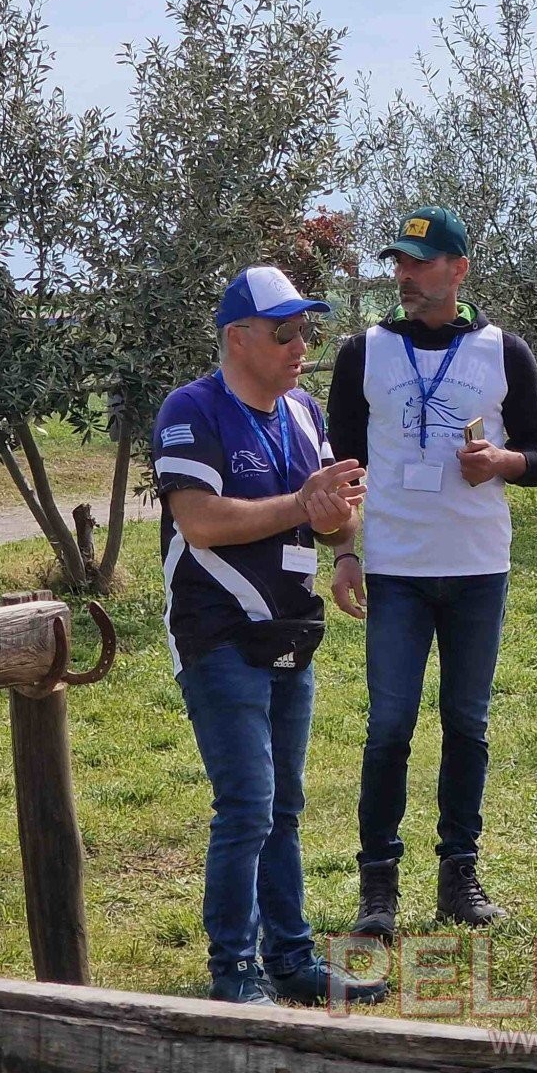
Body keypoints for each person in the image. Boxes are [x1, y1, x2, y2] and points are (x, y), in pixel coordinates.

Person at [152, 265, 388, 1007]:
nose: (300, 343)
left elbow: (332, 507)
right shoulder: (192, 410)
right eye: (284, 331)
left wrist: (346, 547)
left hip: (294, 630)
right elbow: (202, 521)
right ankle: (235, 972)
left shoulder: (305, 412)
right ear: (237, 338)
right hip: (218, 634)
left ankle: (289, 959)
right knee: (248, 805)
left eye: (305, 329)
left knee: (285, 805)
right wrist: (302, 507)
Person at [324, 205, 537, 940]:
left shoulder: (503, 352)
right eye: (398, 263)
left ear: (459, 269)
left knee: (467, 723)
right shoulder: (363, 353)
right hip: (394, 567)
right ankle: (378, 889)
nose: (404, 276)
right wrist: (345, 552)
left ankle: (459, 875)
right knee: (389, 726)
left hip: (476, 567)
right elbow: (339, 471)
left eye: (420, 264)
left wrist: (503, 463)